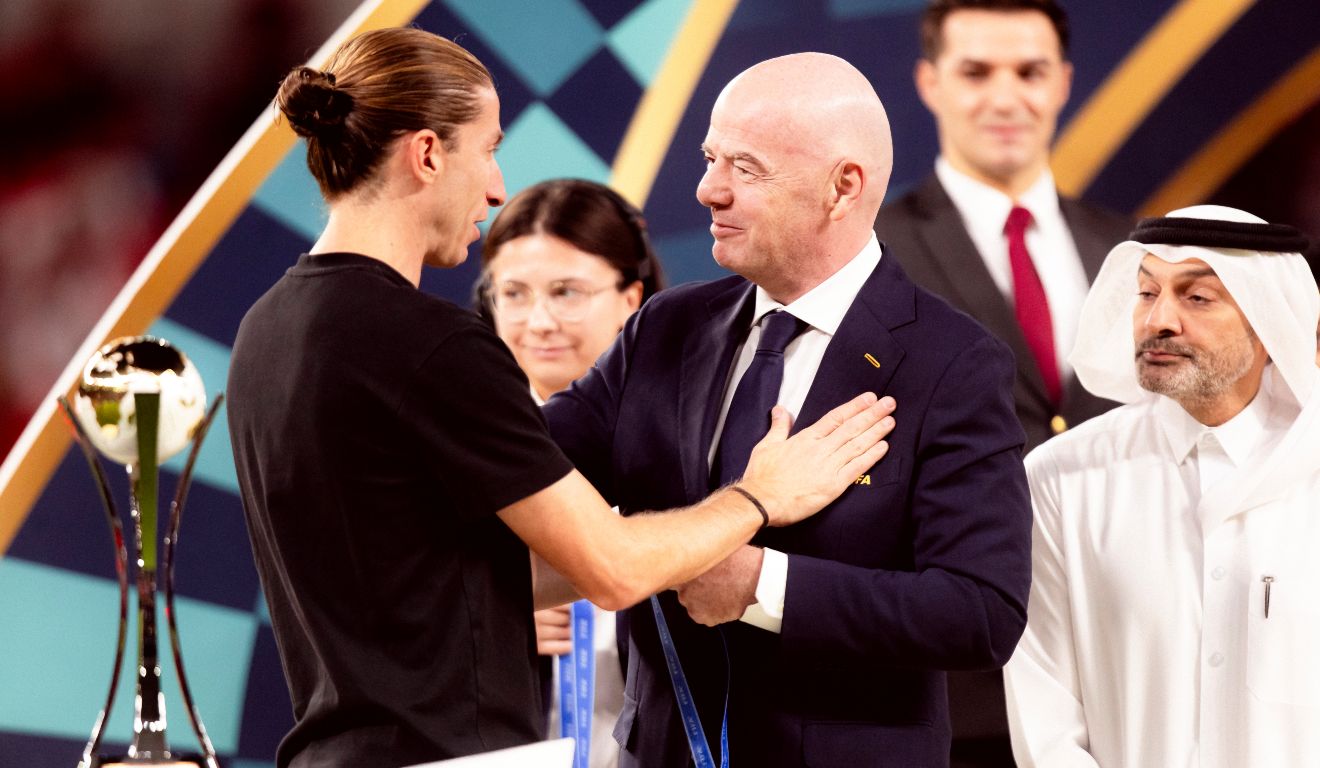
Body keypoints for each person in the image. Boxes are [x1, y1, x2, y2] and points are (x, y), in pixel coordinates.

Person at [225, 28, 897, 768]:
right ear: (425, 154)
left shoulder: (265, 328)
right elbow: (613, 570)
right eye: (487, 149)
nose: (497, 187)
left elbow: (419, 569)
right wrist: (757, 497)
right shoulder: (431, 344)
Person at [542, 52, 1031, 767]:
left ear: (843, 187)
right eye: (711, 158)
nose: (708, 189)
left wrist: (760, 586)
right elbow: (527, 474)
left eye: (745, 168)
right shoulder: (663, 329)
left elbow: (980, 613)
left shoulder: (953, 364)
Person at [872, 4, 1130, 761]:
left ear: (1064, 83)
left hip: (1122, 675)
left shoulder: (1132, 248)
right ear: (929, 82)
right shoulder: (874, 252)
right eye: (977, 72)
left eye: (1030, 72)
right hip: (957, 690)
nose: (1006, 97)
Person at [1004, 205, 1320, 767]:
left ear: (1271, 322)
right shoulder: (1062, 478)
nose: (1159, 321)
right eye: (1148, 293)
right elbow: (1044, 718)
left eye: (1197, 298)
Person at [478, 178, 668, 768]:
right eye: (513, 293)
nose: (538, 322)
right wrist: (496, 626)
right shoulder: (457, 450)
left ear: (631, 298)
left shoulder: (686, 448)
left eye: (566, 292)